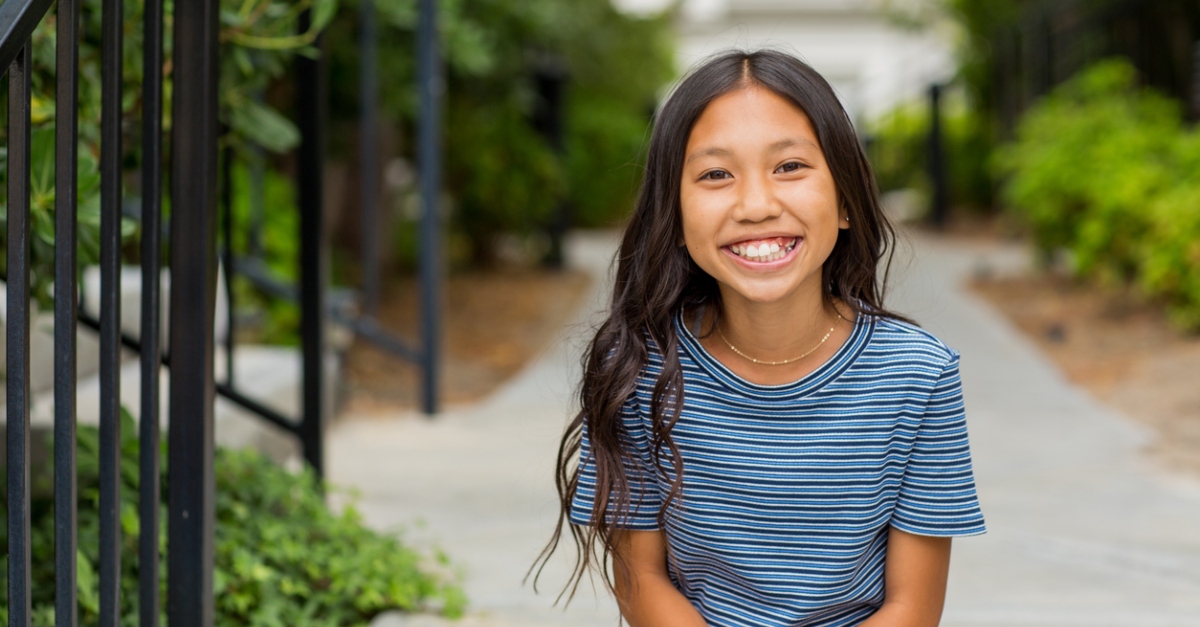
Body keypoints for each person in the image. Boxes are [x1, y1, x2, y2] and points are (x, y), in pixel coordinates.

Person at [531, 49, 986, 627]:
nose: (756, 206)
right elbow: (641, 579)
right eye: (716, 174)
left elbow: (912, 607)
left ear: (845, 199)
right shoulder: (640, 368)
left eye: (790, 166)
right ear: (675, 212)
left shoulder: (919, 375)